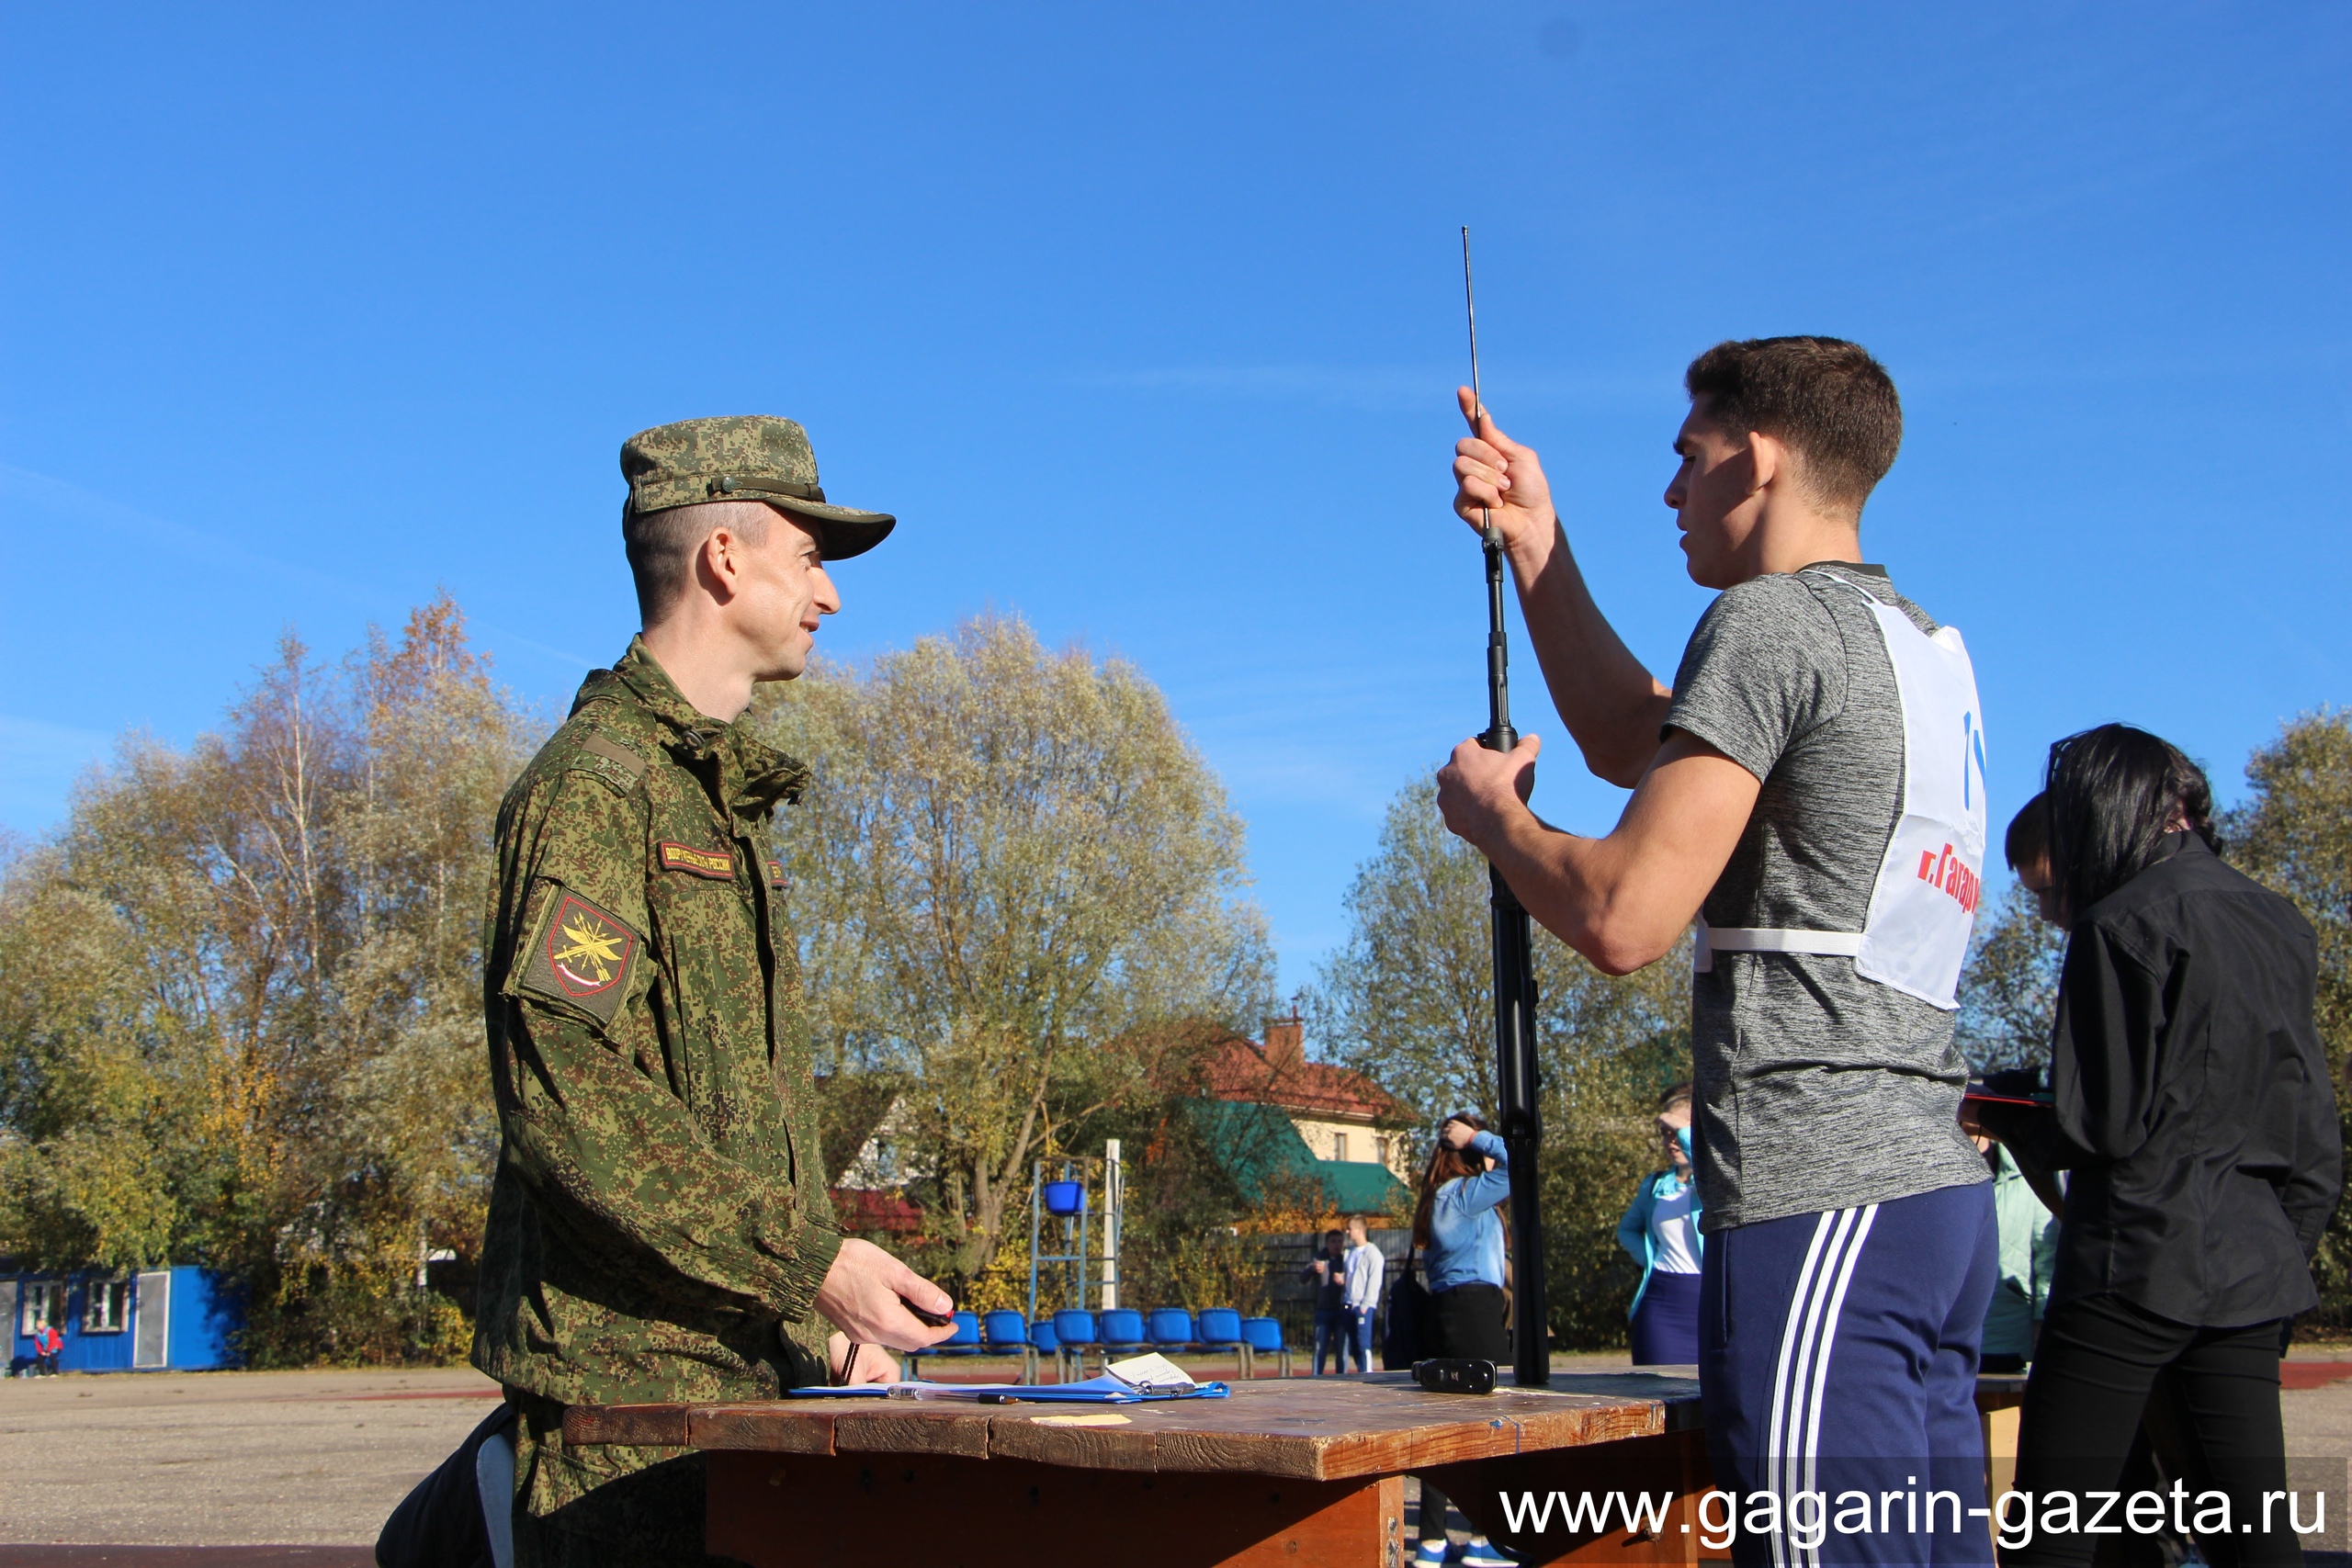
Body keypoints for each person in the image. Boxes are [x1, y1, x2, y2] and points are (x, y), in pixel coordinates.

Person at [1442, 338, 1997, 1565]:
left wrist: (1498, 823)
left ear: (1753, 454)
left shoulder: (1768, 622)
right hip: (1933, 1207)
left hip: (1822, 1198)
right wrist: (1537, 542)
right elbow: (1636, 734)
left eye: (1686, 459)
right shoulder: (1909, 641)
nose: (1671, 491)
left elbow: (1627, 915)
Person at [470, 416, 957, 1567]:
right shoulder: (597, 791)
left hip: (737, 1387)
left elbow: (726, 1122)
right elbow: (564, 1091)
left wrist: (808, 1324)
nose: (829, 597)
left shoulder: (715, 808)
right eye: (810, 558)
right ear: (724, 558)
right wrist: (811, 1264)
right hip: (626, 1420)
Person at [1967, 727, 2341, 1568]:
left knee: (2055, 1536)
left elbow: (2103, 1122)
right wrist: (2291, 1249)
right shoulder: (2280, 922)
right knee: (2254, 1537)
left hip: (2132, 1257)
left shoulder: (2118, 923)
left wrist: (2018, 1111)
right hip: (2250, 1255)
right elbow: (2306, 1118)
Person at [1411, 1114, 1515, 1568]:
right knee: (1498, 1421)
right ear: (1472, 1156)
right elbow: (1521, 1164)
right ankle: (1484, 1538)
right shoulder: (1466, 1196)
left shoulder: (1440, 1198)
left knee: (1445, 1428)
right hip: (1475, 1310)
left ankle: (1433, 1542)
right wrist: (1477, 1138)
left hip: (1448, 1310)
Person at [1615, 1085, 1702, 1367]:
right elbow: (1626, 1230)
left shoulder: (1713, 1183)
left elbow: (1707, 1165)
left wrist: (1689, 1130)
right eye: (1665, 1133)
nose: (1671, 1141)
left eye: (1677, 1132)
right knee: (1659, 1395)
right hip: (1662, 1302)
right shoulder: (1655, 1185)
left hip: (1709, 1300)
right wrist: (1654, 1261)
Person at [1341, 1214, 1385, 1373]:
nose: (1347, 1232)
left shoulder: (1373, 1253)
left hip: (1363, 1306)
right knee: (1353, 1345)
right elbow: (1350, 1276)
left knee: (1363, 1343)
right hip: (1348, 1303)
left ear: (1360, 1230)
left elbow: (1375, 1281)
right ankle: (1360, 1371)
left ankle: (1368, 1375)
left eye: (1350, 1229)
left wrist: (1366, 1304)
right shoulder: (1349, 1253)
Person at [1305, 1228, 1350, 1375]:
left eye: (1340, 1241)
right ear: (1326, 1243)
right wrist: (1312, 1269)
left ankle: (1342, 1379)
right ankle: (1316, 1377)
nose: (1337, 1245)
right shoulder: (1319, 1258)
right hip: (1323, 1311)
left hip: (1342, 1309)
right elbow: (1302, 1278)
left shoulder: (1348, 1259)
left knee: (1342, 1348)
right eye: (1333, 1241)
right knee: (1319, 1348)